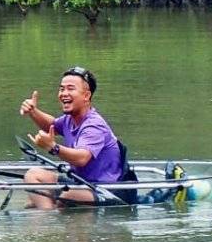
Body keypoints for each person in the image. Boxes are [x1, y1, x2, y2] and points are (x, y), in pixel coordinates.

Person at [19, 66, 132, 208]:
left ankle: (48, 217)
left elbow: (81, 159)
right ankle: (47, 217)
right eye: (61, 89)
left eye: (70, 89)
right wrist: (33, 111)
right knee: (33, 175)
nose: (64, 93)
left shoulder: (94, 126)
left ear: (86, 96)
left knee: (66, 196)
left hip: (107, 189)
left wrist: (53, 147)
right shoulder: (70, 119)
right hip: (80, 182)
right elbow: (51, 125)